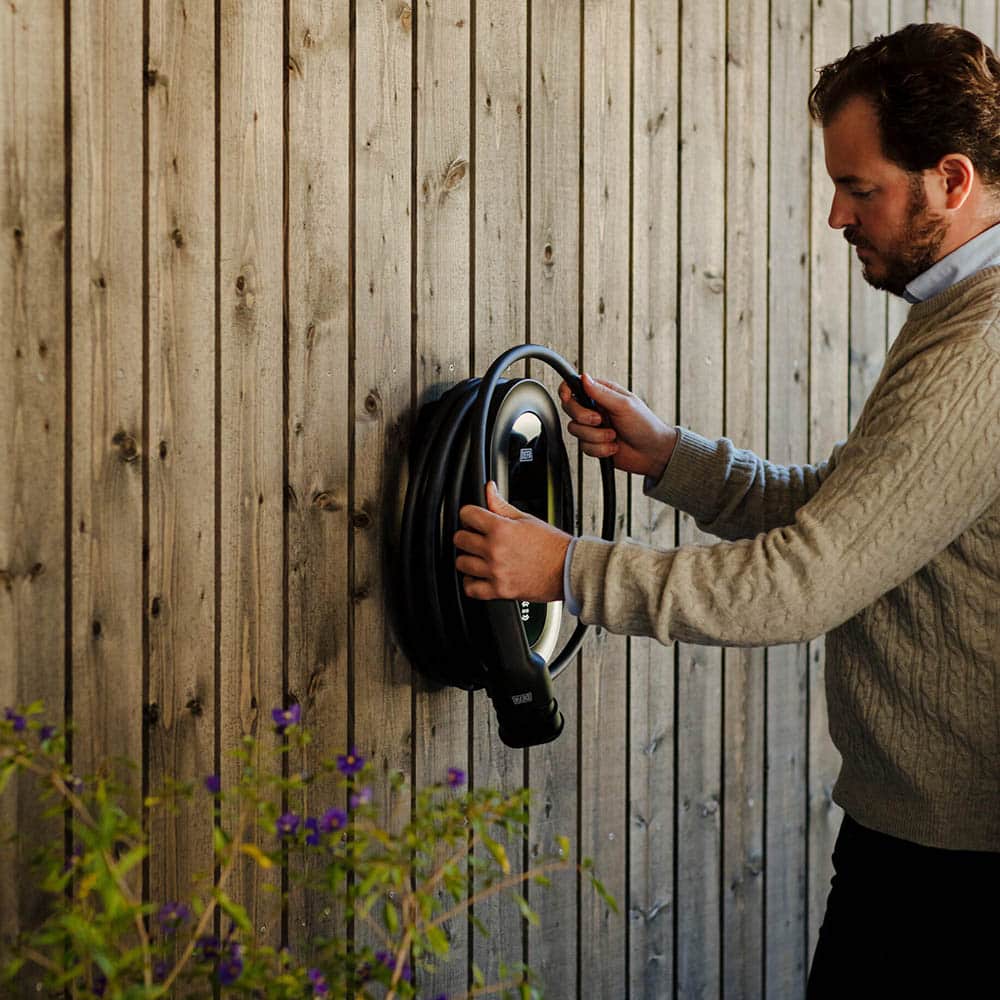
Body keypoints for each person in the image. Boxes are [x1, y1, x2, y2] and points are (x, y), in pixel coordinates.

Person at [453, 22, 1000, 997]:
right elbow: (859, 509)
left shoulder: (981, 345)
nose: (835, 215)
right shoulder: (959, 309)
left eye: (860, 188)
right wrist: (675, 459)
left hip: (953, 873)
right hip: (923, 841)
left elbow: (803, 581)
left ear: (951, 180)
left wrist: (565, 570)